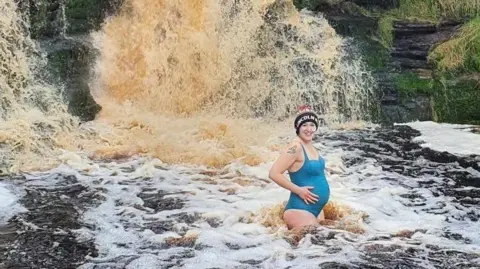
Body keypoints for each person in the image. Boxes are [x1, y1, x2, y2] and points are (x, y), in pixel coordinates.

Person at [268, 105, 330, 230]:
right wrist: (299, 191)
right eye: (304, 125)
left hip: (315, 209)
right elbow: (274, 173)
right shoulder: (295, 147)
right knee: (312, 245)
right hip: (300, 210)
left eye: (312, 125)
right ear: (298, 127)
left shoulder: (309, 144)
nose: (309, 129)